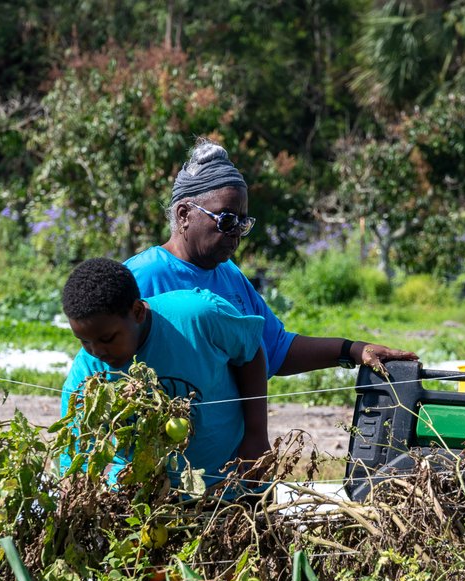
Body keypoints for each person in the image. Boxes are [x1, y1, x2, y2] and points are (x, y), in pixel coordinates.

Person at [126, 138, 417, 378]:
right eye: (226, 220)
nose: (236, 234)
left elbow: (274, 348)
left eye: (243, 223)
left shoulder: (228, 274)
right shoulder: (143, 277)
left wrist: (353, 350)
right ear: (184, 215)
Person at [60, 257, 269, 488]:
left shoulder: (198, 317)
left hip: (226, 484)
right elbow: (74, 459)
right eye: (84, 342)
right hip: (141, 499)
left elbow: (250, 351)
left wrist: (256, 433)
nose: (97, 351)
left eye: (107, 339)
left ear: (138, 312)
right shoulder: (87, 371)